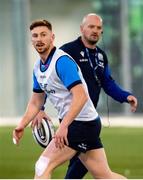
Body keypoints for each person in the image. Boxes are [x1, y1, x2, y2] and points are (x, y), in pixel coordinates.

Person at [12, 19, 127, 179]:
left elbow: (80, 96)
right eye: (35, 36)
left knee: (42, 166)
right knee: (104, 175)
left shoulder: (62, 62)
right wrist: (21, 125)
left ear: (52, 37)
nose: (39, 39)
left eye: (43, 35)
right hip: (86, 123)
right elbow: (36, 101)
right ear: (31, 40)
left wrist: (64, 126)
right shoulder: (38, 67)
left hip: (81, 124)